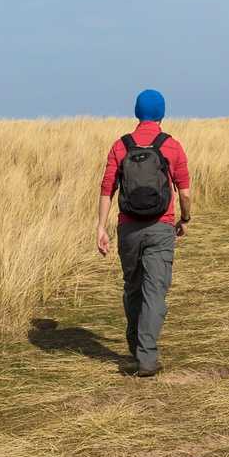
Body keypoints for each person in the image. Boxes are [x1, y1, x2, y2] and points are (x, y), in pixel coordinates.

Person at [95, 89, 192, 377]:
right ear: (162, 114)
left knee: (133, 287)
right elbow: (184, 193)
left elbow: (106, 189)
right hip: (161, 228)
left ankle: (136, 340)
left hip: (128, 229)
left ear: (137, 113)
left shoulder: (120, 146)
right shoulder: (172, 146)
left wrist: (101, 227)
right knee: (155, 291)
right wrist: (185, 218)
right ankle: (146, 356)